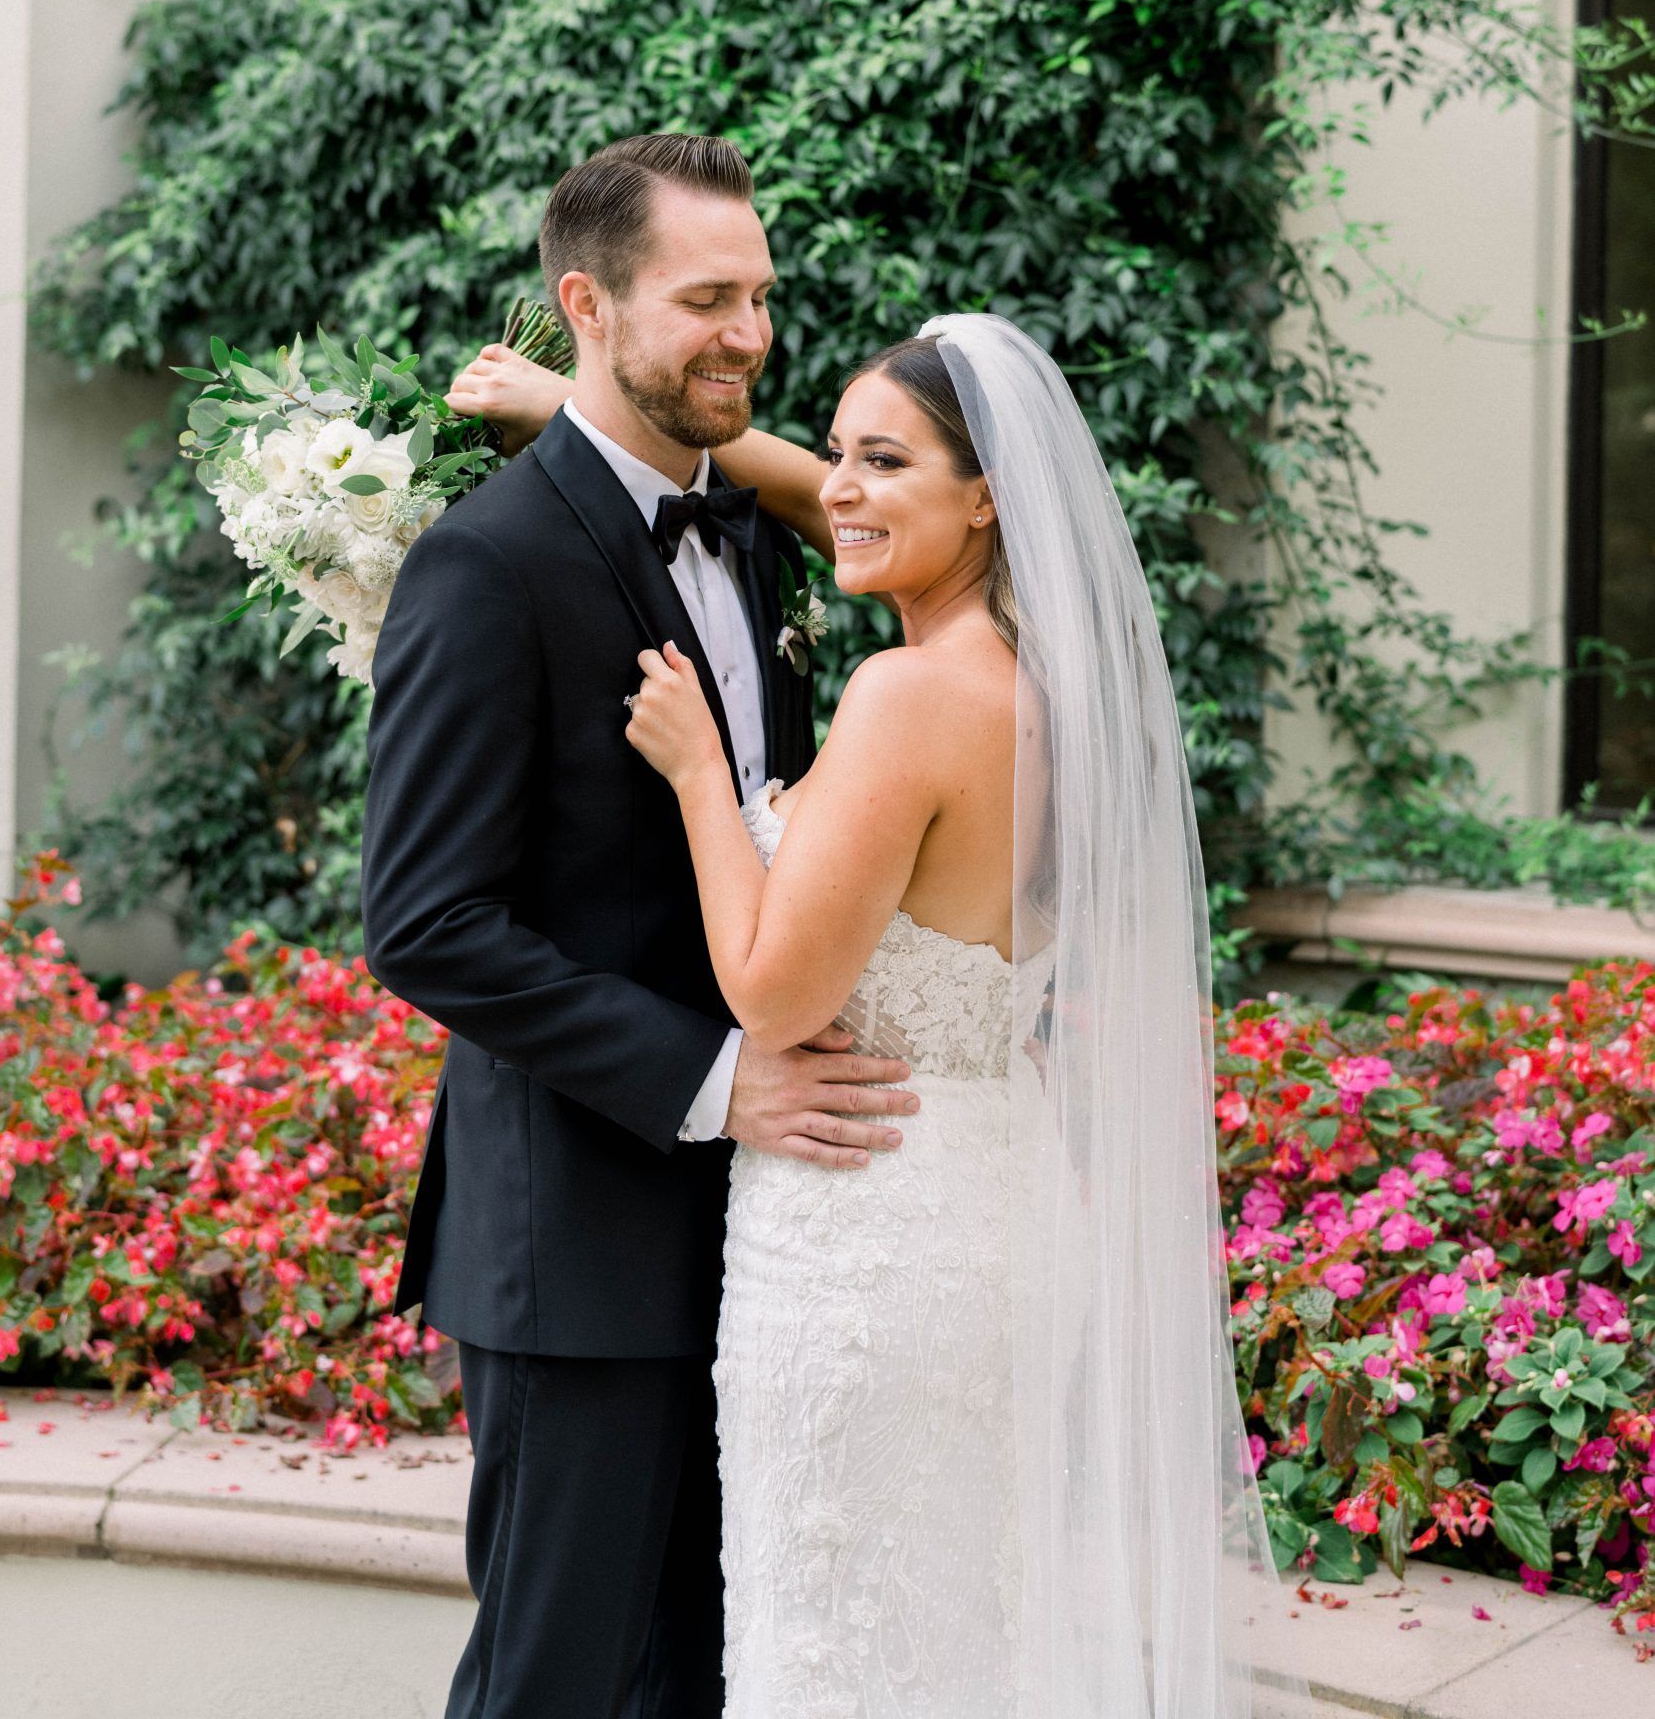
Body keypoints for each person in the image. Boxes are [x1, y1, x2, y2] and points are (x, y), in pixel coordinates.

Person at [458, 311, 1308, 1717]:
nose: (835, 486)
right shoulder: (1053, 689)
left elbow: (772, 991)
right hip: (1002, 1198)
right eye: (833, 452)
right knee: (969, 1633)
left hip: (868, 1231)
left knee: (843, 1648)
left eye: (883, 459)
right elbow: (848, 501)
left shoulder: (908, 695)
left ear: (986, 498)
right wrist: (582, 412)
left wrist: (700, 778)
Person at [360, 133, 920, 1719]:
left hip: (769, 1241)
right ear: (587, 306)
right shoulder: (487, 566)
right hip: (580, 1249)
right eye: (704, 299)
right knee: (556, 1686)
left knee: (707, 1683)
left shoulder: (750, 532)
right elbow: (426, 921)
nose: (747, 331)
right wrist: (719, 1078)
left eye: (759, 294)